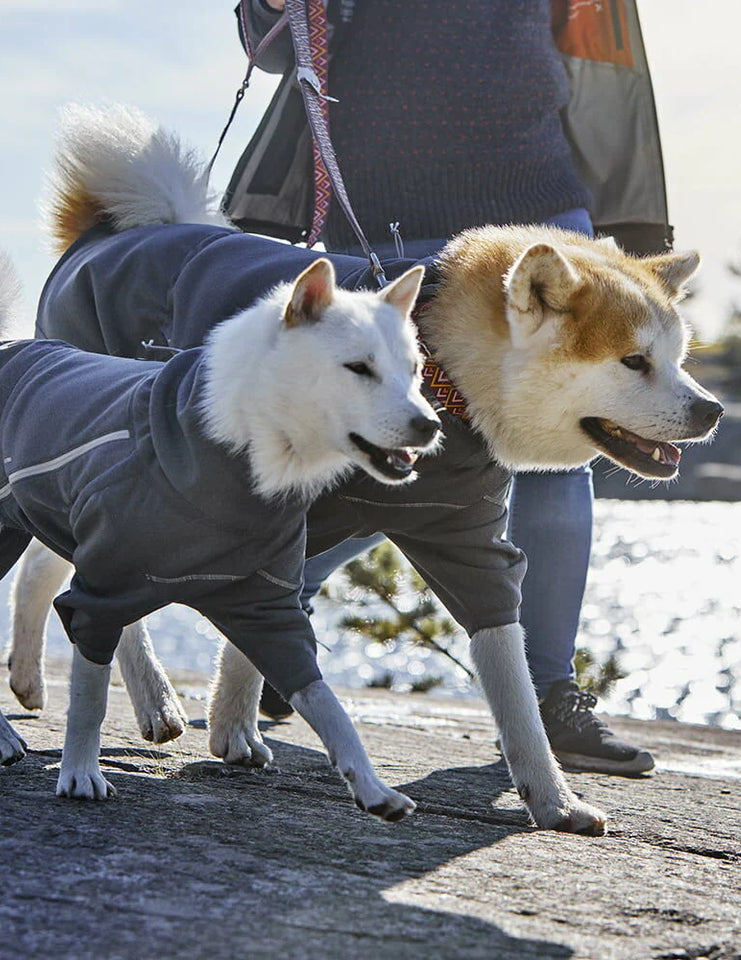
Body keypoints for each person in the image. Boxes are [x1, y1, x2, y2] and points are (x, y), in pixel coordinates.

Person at [226, 0, 673, 775]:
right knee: (392, 444)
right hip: (387, 203)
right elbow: (267, 39)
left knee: (563, 447)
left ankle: (547, 697)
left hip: (540, 196)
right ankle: (275, 621)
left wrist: (630, 224)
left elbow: (599, 42)